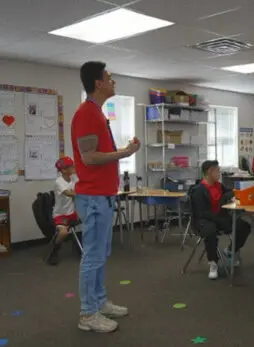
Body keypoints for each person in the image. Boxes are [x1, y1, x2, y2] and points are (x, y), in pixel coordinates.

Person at [71, 61, 140, 333]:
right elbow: (89, 158)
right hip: (93, 197)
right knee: (93, 256)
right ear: (98, 83)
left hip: (102, 196)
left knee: (101, 254)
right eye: (109, 78)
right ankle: (87, 313)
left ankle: (98, 302)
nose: (114, 82)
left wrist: (124, 151)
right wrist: (125, 152)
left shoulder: (97, 112)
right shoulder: (86, 113)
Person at [192, 160, 251, 280]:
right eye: (217, 170)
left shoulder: (219, 186)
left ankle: (230, 250)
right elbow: (202, 213)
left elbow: (229, 193)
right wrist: (220, 219)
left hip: (220, 218)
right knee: (210, 231)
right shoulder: (199, 190)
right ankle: (213, 263)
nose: (220, 173)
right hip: (205, 221)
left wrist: (234, 193)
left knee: (244, 226)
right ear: (210, 172)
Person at [46, 156, 79, 266]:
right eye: (71, 166)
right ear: (64, 170)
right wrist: (83, 194)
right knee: (64, 232)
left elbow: (78, 191)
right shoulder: (59, 182)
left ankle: (80, 246)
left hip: (72, 213)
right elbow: (69, 193)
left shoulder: (73, 180)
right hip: (60, 215)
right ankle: (55, 251)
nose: (74, 167)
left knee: (91, 219)